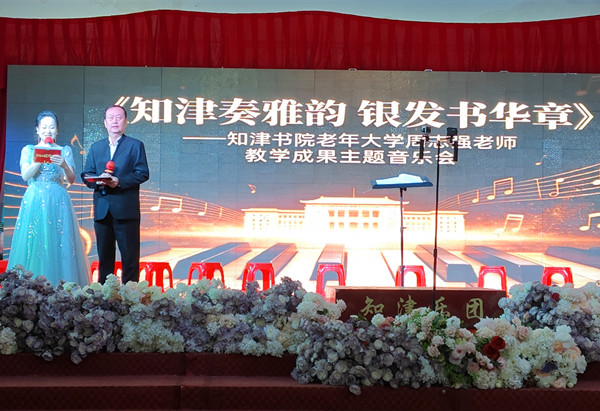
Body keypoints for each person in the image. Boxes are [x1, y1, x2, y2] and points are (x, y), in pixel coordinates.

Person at [8, 110, 90, 286]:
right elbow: (25, 175)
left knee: (59, 242)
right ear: (37, 129)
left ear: (57, 130)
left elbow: (71, 179)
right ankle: (30, 288)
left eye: (52, 127)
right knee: (34, 240)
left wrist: (64, 165)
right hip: (35, 198)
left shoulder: (64, 151)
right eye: (44, 127)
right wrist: (39, 159)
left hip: (58, 200)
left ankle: (63, 287)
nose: (48, 131)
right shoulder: (28, 150)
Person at [81, 105, 149, 284]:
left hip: (126, 210)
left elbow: (142, 173)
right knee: (104, 259)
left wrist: (119, 181)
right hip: (102, 210)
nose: (115, 121)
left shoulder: (135, 145)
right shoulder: (96, 147)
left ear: (126, 122)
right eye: (110, 118)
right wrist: (97, 180)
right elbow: (87, 174)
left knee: (130, 259)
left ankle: (130, 295)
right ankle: (105, 296)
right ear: (105, 123)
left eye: (119, 117)